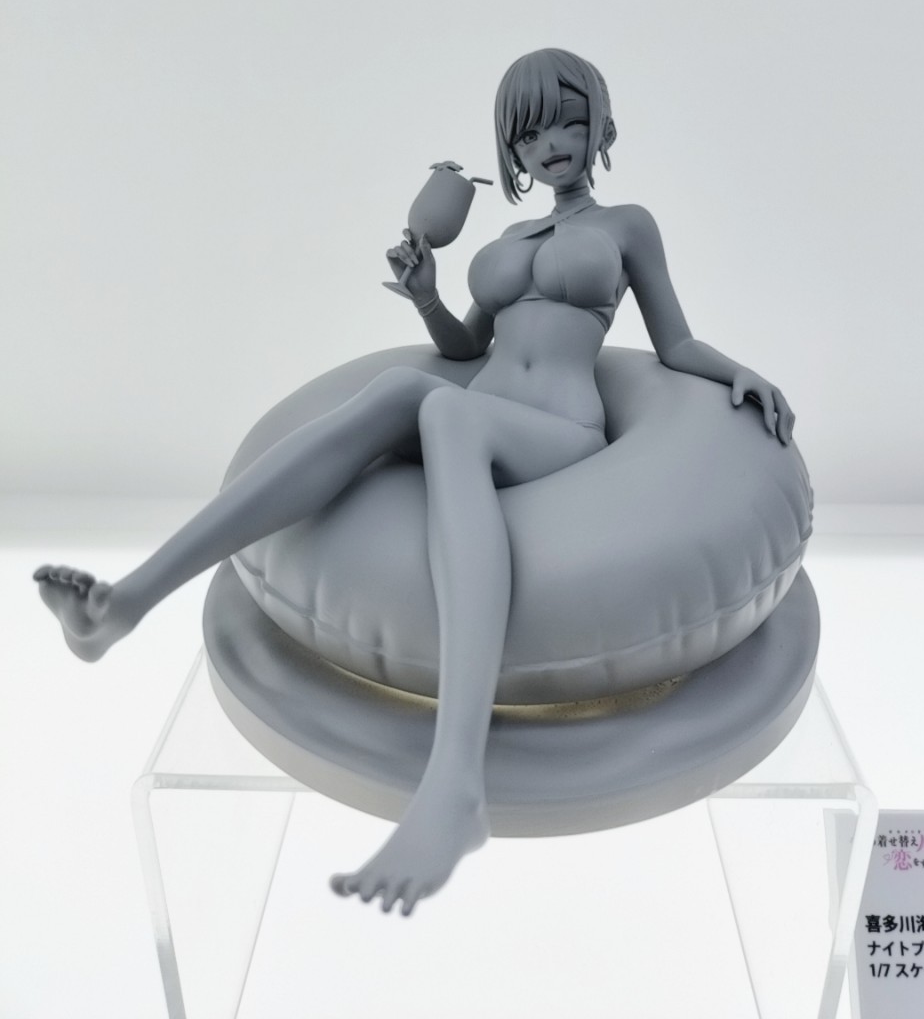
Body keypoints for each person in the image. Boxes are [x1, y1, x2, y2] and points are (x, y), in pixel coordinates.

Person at [35, 47, 794, 915]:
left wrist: (740, 372)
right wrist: (427, 296)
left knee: (445, 415)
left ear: (600, 124)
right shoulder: (508, 242)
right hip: (481, 411)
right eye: (529, 133)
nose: (551, 143)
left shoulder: (628, 226)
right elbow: (466, 348)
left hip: (561, 437)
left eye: (568, 120)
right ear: (512, 150)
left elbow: (674, 342)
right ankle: (124, 603)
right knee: (405, 390)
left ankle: (454, 780)